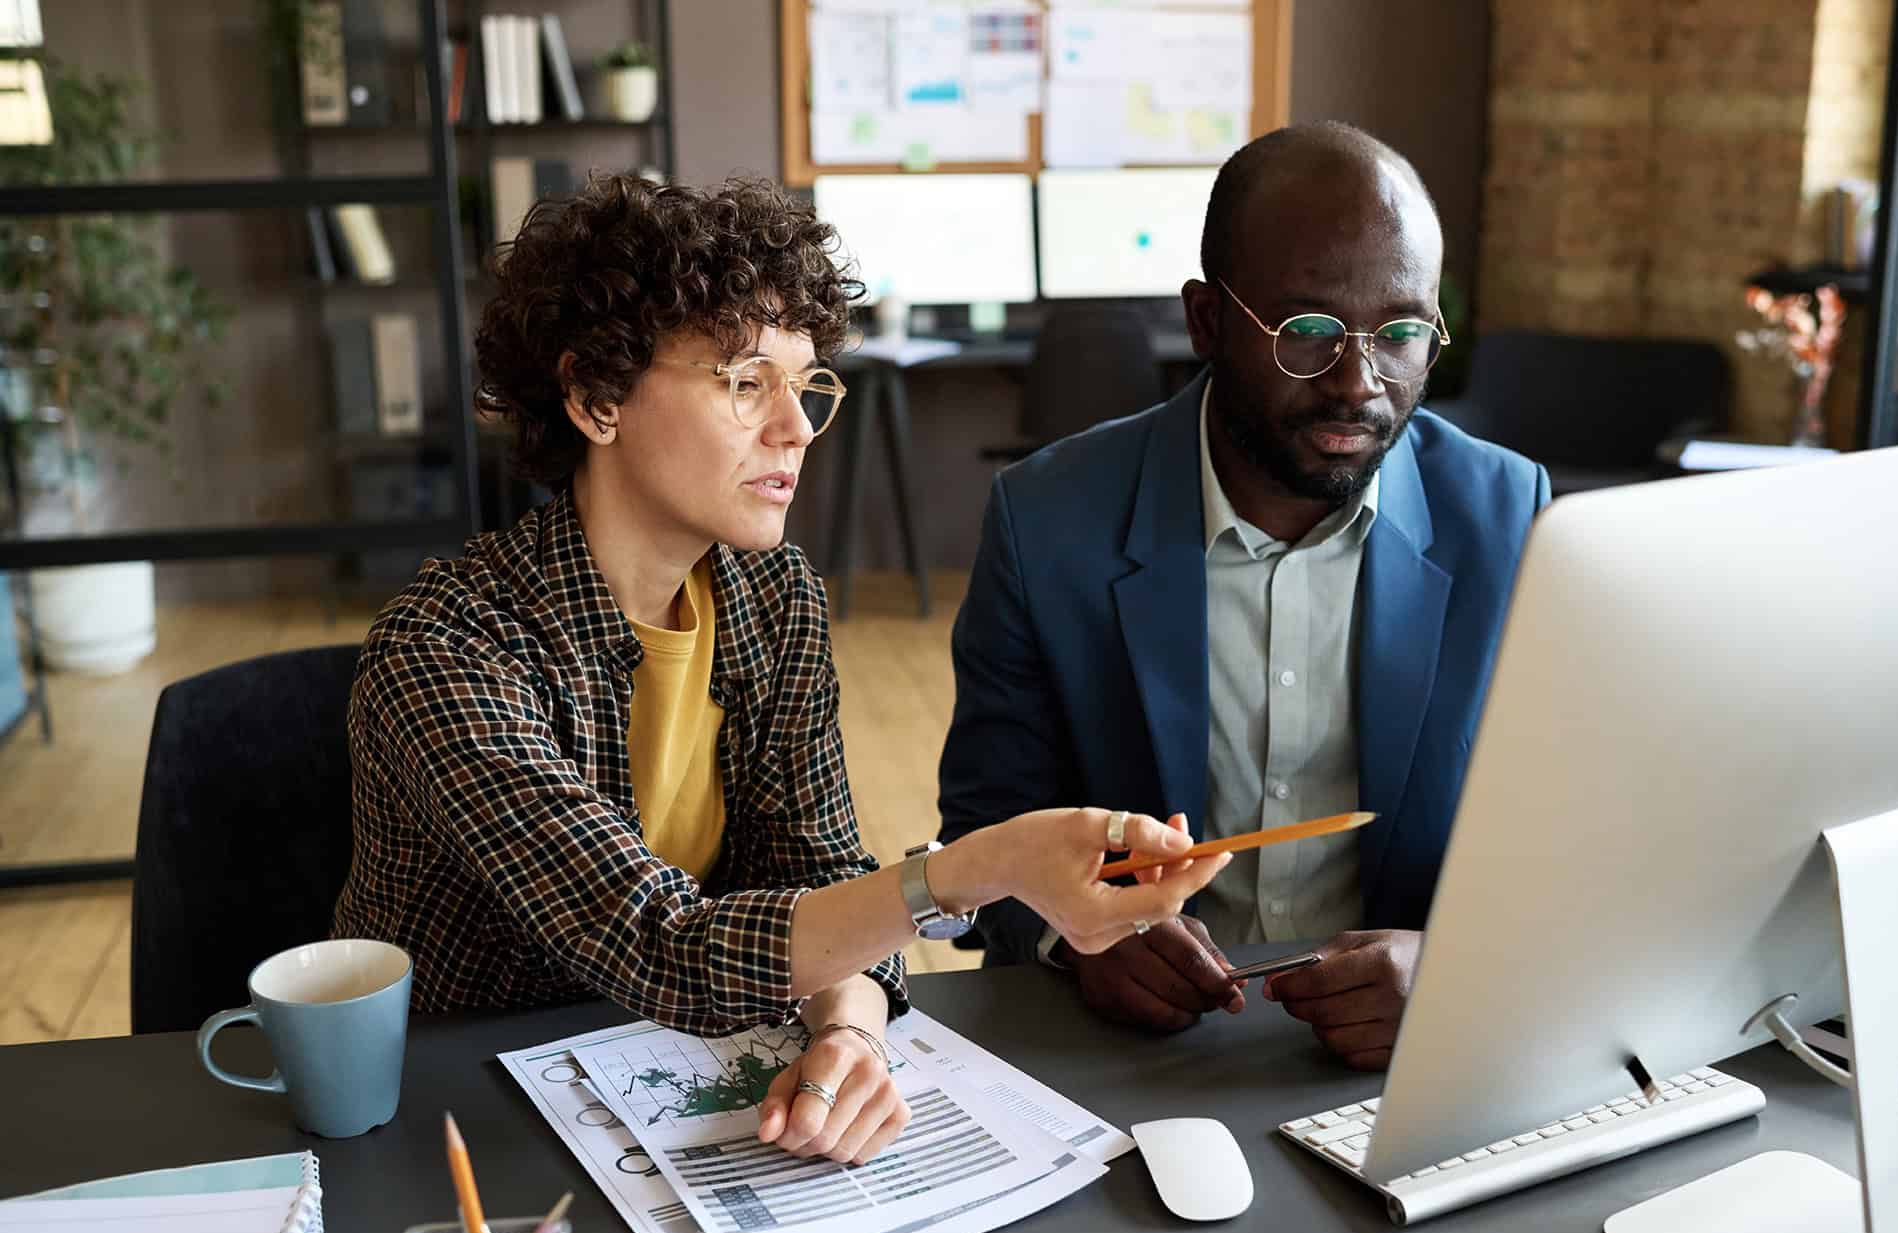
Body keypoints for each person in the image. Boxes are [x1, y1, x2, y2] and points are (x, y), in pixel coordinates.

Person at [331, 174, 1230, 1166]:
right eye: (745, 382)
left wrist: (849, 1029)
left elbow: (825, 872)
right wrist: (988, 866)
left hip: (677, 1093)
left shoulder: (770, 596)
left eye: (805, 386)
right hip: (455, 1121)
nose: (795, 428)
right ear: (595, 398)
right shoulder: (447, 648)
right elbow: (657, 939)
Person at [938, 124, 1548, 1069]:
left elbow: (1569, 837)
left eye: (1400, 334)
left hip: (1405, 1052)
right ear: (1207, 322)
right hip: (1136, 1050)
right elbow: (986, 826)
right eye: (1305, 333)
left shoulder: (1510, 518)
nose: (1358, 384)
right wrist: (1073, 937)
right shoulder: (1048, 519)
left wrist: (1462, 968)